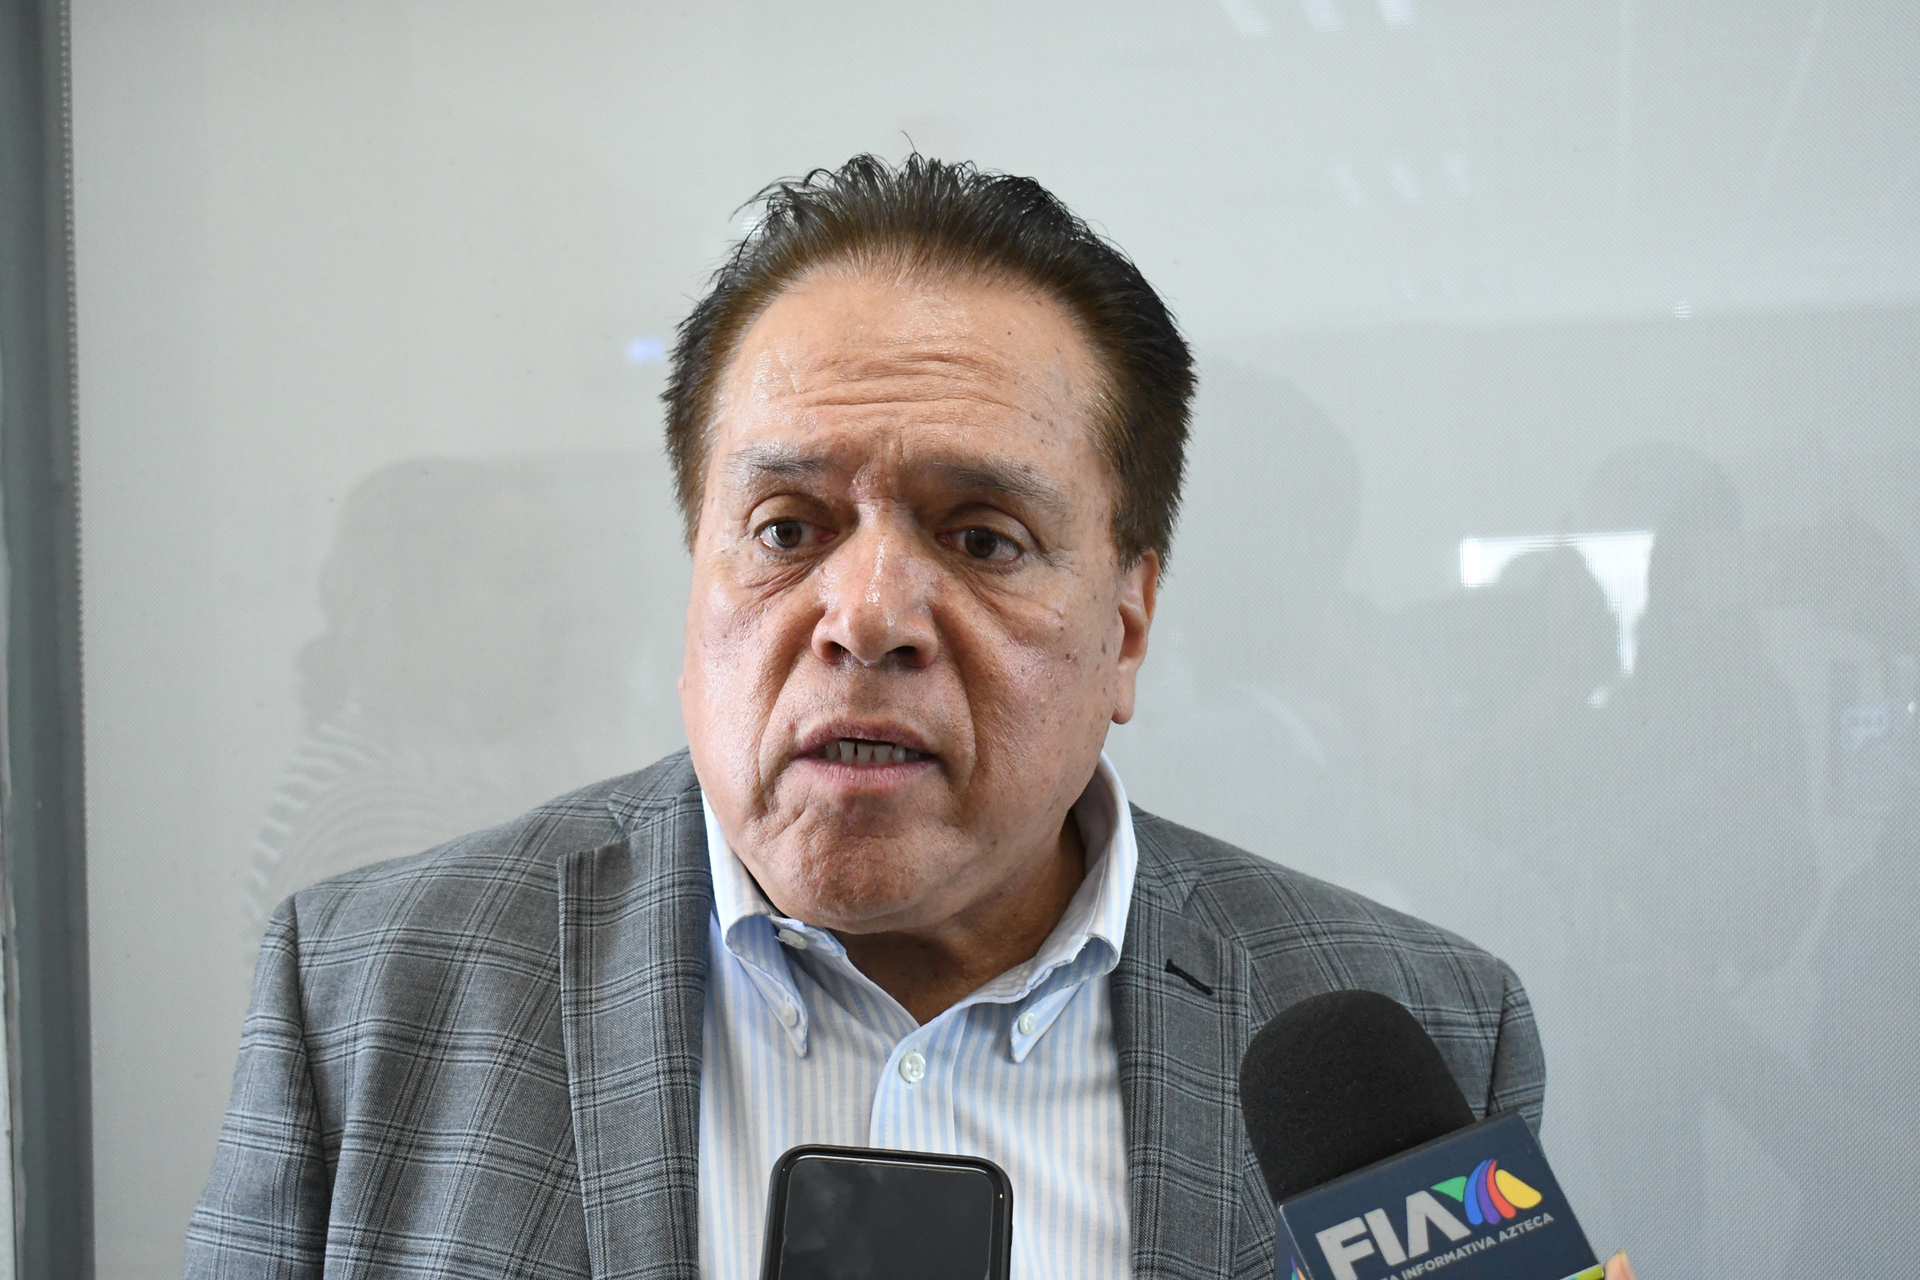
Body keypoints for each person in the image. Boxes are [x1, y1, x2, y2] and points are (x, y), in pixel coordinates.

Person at [185, 155, 1627, 1279]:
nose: (866, 615)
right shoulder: (369, 996)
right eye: (787, 527)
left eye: (985, 537)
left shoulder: (1420, 1034)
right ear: (694, 576)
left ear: (1127, 624)